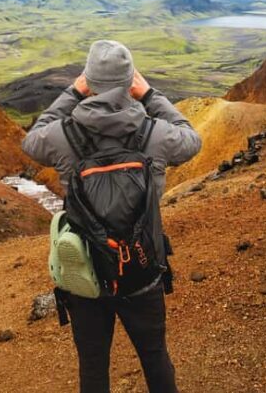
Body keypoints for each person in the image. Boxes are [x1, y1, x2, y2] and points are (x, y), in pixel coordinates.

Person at [22, 39, 202, 393]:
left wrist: (73, 92)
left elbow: (32, 140)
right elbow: (192, 139)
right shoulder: (156, 134)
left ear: (89, 81)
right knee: (154, 356)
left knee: (93, 366)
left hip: (85, 273)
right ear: (129, 81)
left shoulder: (63, 136)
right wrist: (149, 95)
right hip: (142, 267)